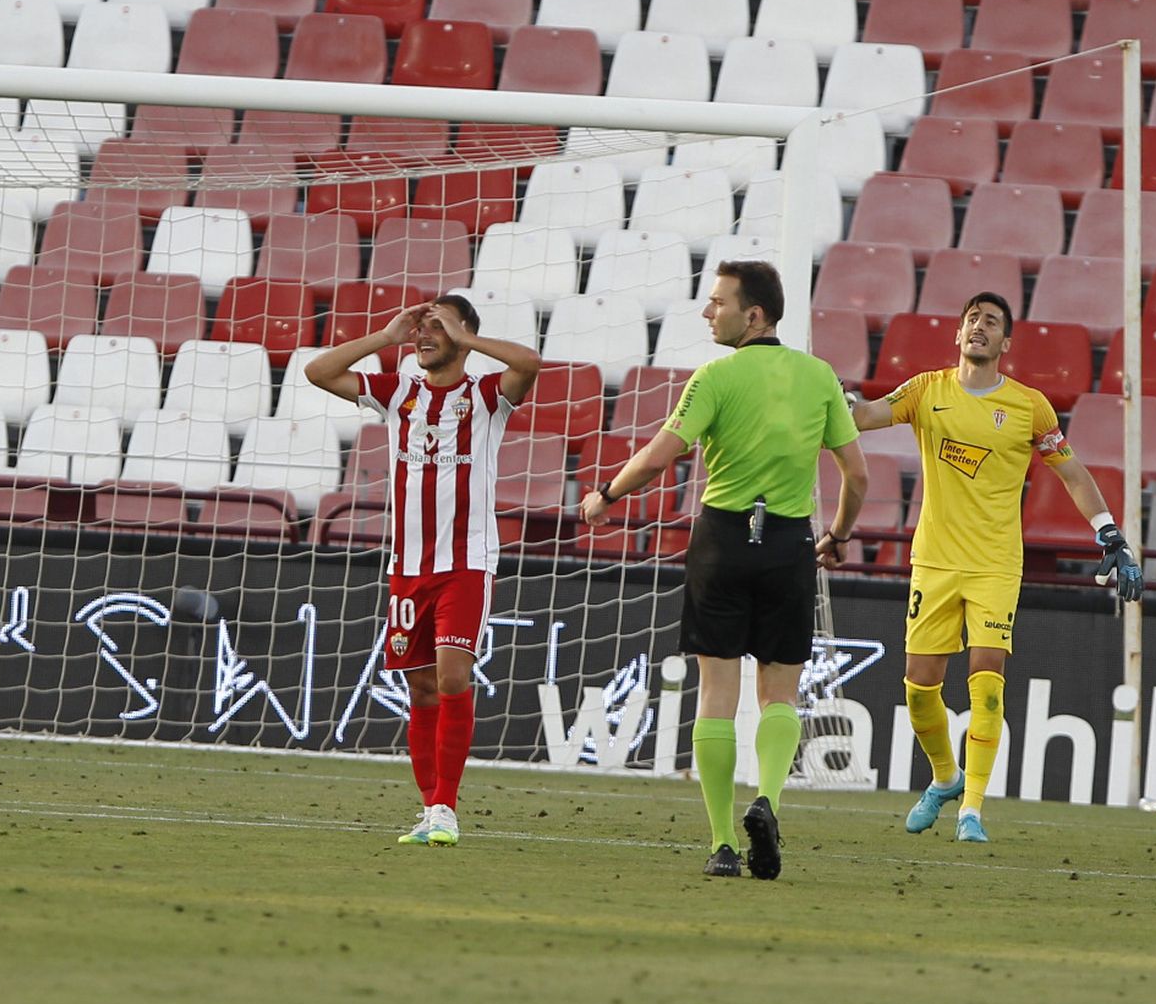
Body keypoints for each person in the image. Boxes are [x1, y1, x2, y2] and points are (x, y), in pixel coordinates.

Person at [581, 261, 868, 880]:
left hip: (722, 541)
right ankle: (767, 800)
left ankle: (720, 844)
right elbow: (858, 475)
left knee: (716, 694)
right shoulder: (819, 377)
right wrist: (838, 535)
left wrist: (605, 495)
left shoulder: (714, 376)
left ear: (754, 314)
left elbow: (661, 456)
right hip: (789, 543)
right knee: (781, 695)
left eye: (718, 302)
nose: (709, 312)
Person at [849, 292, 1143, 844]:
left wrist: (1108, 530)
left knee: (986, 683)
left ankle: (973, 810)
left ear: (1006, 343)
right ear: (958, 336)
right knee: (919, 688)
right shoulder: (924, 391)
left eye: (990, 322)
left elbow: (1074, 472)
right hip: (934, 560)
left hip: (995, 565)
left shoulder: (1030, 407)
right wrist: (834, 399)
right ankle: (945, 779)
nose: (978, 326)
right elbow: (865, 417)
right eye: (971, 319)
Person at [305, 296, 541, 847]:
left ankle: (446, 807)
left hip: (466, 563)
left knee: (453, 677)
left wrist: (466, 338)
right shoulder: (399, 394)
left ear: (463, 333)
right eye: (422, 328)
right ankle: (431, 809)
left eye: (437, 328)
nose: (423, 336)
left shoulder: (486, 396)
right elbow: (319, 372)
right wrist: (386, 337)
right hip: (408, 569)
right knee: (421, 690)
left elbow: (529, 364)